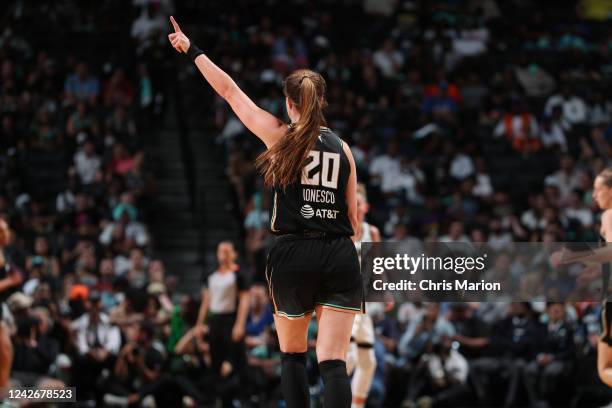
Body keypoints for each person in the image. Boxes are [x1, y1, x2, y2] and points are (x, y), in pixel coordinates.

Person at [168, 16, 363, 408]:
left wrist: (193, 51)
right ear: (319, 102)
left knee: (292, 357)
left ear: (290, 102)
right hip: (340, 254)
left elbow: (229, 91)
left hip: (293, 253)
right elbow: (354, 223)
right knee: (334, 362)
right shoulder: (343, 148)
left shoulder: (278, 135)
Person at [347, 184, 380, 408]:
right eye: (352, 204)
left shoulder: (372, 232)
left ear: (366, 207)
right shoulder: (341, 228)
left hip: (364, 301)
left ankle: (356, 406)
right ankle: (327, 398)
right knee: (348, 358)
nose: (355, 208)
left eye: (359, 205)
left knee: (368, 361)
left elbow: (378, 266)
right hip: (344, 298)